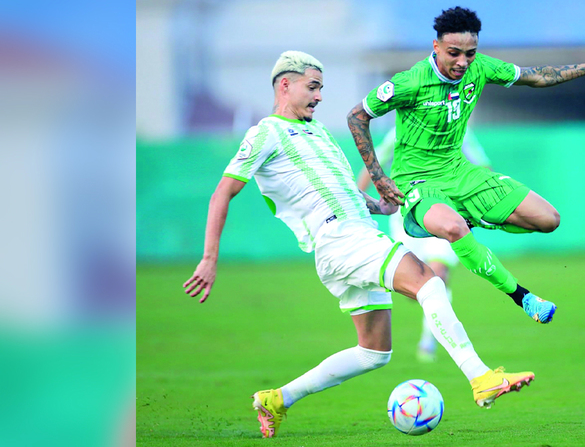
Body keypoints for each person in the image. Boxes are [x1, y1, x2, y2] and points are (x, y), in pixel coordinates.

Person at [183, 51, 536, 439]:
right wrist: (209, 258)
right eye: (312, 87)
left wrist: (380, 205)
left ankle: (277, 398)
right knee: (429, 282)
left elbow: (341, 192)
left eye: (321, 88)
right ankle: (481, 377)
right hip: (341, 239)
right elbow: (222, 192)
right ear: (285, 84)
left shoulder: (318, 132)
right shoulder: (266, 133)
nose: (319, 96)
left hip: (347, 239)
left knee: (373, 353)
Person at [347, 6, 585, 324]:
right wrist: (380, 178)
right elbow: (357, 116)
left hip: (460, 172)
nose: (463, 62)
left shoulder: (480, 67)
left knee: (548, 219)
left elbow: (535, 77)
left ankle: (471, 216)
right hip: (417, 181)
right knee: (454, 229)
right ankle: (522, 296)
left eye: (470, 53)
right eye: (454, 53)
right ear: (436, 46)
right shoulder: (410, 82)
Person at [356, 126, 491, 363]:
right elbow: (373, 165)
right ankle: (428, 310)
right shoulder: (400, 131)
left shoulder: (459, 129)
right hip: (407, 216)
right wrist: (355, 202)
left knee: (438, 274)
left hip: (446, 213)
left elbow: (483, 168)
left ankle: (429, 341)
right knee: (417, 283)